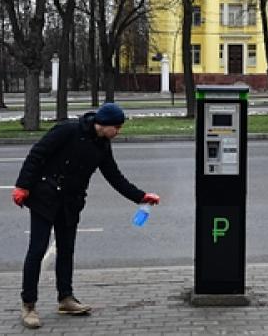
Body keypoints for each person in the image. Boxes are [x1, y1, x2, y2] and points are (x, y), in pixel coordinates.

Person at [12, 102, 160, 329]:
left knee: (66, 250)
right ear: (104, 124)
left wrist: (140, 196)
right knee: (37, 249)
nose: (118, 132)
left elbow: (114, 176)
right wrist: (22, 186)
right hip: (46, 196)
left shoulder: (102, 145)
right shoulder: (68, 130)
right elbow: (37, 154)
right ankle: (29, 305)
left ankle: (65, 298)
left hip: (71, 202)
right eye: (117, 127)